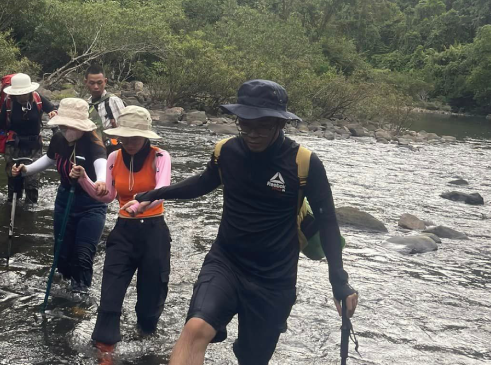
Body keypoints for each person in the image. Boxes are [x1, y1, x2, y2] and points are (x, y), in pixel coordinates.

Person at [125, 80, 358, 365]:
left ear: (280, 124)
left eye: (263, 126)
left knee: (251, 359)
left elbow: (328, 222)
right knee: (195, 329)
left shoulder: (303, 162)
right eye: (245, 125)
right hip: (226, 262)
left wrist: (339, 282)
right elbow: (200, 184)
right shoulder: (226, 152)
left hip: (274, 279)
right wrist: (154, 194)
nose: (252, 134)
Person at [72, 106, 172, 355]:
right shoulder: (114, 157)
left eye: (135, 137)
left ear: (146, 136)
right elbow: (107, 196)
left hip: (154, 232)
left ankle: (146, 336)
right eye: (124, 137)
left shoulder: (160, 157)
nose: (129, 142)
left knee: (150, 298)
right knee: (110, 293)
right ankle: (105, 349)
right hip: (123, 232)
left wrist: (140, 204)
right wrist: (84, 178)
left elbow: (162, 191)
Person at [12, 98, 107, 293]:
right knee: (61, 251)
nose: (64, 130)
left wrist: (101, 181)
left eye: (68, 127)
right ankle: (63, 289)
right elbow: (49, 160)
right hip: (65, 199)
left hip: (91, 204)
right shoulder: (58, 139)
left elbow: (101, 165)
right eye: (62, 126)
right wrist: (25, 170)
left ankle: (80, 293)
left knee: (82, 253)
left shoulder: (93, 143)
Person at [0, 73, 57, 204]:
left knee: (32, 181)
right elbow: (0, 123)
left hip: (34, 146)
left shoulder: (38, 98)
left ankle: (30, 211)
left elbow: (52, 108)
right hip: (14, 145)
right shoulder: (8, 102)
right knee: (14, 179)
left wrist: (53, 113)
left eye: (24, 93)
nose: (21, 97)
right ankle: (12, 206)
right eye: (18, 94)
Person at [85, 63, 125, 152]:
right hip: (92, 149)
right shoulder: (86, 105)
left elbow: (125, 129)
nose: (96, 87)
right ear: (86, 82)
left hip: (112, 150)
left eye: (99, 83)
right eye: (92, 83)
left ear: (105, 81)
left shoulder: (113, 101)